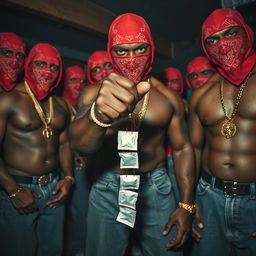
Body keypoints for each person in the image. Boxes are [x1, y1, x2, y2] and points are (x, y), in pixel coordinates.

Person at [70, 13, 195, 256]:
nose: (131, 58)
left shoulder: (168, 98)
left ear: (152, 49)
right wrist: (100, 116)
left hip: (155, 187)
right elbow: (80, 145)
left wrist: (186, 205)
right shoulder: (92, 93)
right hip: (107, 185)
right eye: (121, 51)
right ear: (110, 51)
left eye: (139, 49)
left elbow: (183, 149)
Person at [189, 8, 256, 256]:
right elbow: (194, 149)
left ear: (247, 33)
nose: (223, 44)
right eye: (212, 40)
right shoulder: (203, 93)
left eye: (230, 33)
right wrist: (188, 202)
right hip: (209, 197)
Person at [0, 43, 74, 256]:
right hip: (19, 188)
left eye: (54, 67)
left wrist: (68, 178)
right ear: (27, 66)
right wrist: (13, 191)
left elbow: (65, 144)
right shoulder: (8, 99)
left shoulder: (59, 104)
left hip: (53, 188)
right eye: (41, 64)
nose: (48, 71)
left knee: (53, 251)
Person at [62, 65, 90, 256]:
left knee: (83, 218)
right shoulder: (56, 105)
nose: (79, 84)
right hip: (59, 172)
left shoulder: (87, 104)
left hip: (83, 172)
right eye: (73, 80)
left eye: (82, 80)